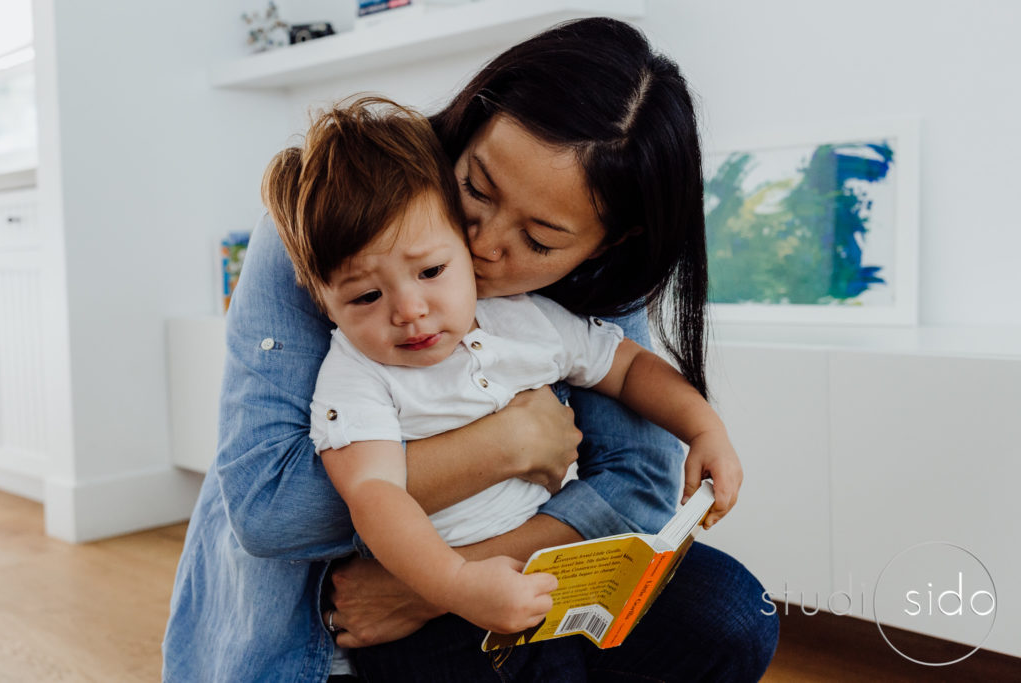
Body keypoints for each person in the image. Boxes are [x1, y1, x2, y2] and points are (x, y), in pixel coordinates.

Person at [163, 17, 778, 683]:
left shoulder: (554, 308)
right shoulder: (338, 231)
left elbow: (639, 476)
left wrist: (433, 587)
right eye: (476, 190)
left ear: (606, 246)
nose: (485, 244)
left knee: (732, 615)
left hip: (470, 577)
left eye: (539, 241)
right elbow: (269, 507)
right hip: (317, 617)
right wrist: (510, 442)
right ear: (470, 124)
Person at [262, 96, 746, 646]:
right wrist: (454, 583)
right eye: (367, 296)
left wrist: (706, 429)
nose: (409, 310)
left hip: (533, 572)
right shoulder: (356, 375)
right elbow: (376, 493)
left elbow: (629, 368)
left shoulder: (525, 319)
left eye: (432, 271)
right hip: (432, 607)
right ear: (323, 304)